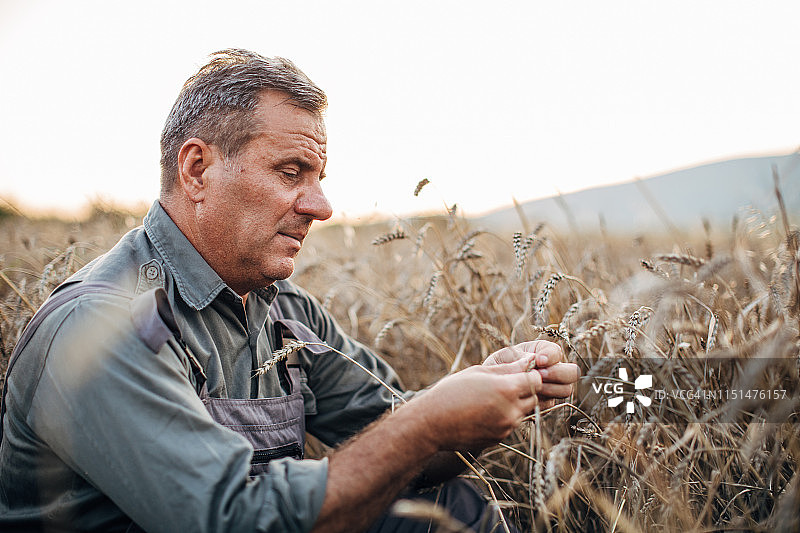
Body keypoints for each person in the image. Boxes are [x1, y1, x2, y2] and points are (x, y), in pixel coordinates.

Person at [0, 49, 580, 532]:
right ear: (197, 171)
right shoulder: (101, 327)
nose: (321, 207)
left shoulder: (286, 315)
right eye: (290, 172)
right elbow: (231, 522)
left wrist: (492, 388)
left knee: (444, 511)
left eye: (319, 178)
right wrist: (428, 420)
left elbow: (405, 449)